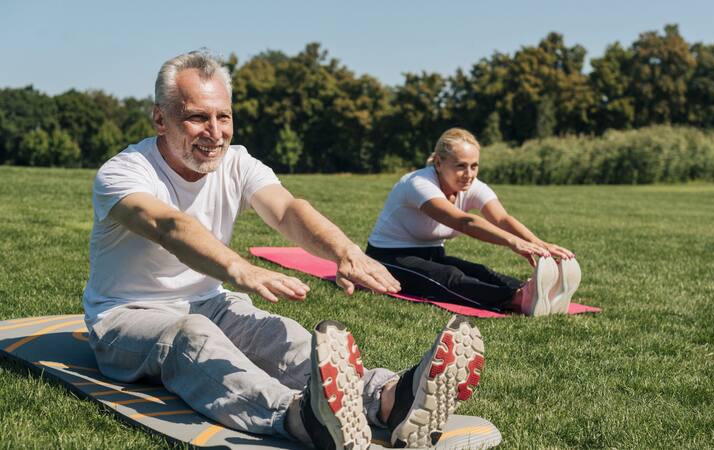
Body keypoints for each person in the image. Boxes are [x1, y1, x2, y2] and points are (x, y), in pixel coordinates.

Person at [82, 50, 485, 450]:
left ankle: (389, 399)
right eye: (197, 117)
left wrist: (343, 251)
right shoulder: (124, 173)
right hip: (127, 317)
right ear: (160, 118)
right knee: (192, 337)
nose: (215, 131)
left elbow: (289, 211)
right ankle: (300, 416)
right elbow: (170, 226)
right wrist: (239, 269)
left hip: (209, 302)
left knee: (278, 335)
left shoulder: (236, 163)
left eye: (223, 116)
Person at [366, 128, 581, 317]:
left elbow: (502, 218)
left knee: (480, 271)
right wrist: (512, 242)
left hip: (432, 254)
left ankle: (534, 292)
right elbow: (464, 222)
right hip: (388, 257)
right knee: (448, 277)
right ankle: (516, 300)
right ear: (439, 163)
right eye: (461, 166)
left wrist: (539, 244)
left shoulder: (472, 186)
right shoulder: (418, 184)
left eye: (474, 166)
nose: (469, 174)